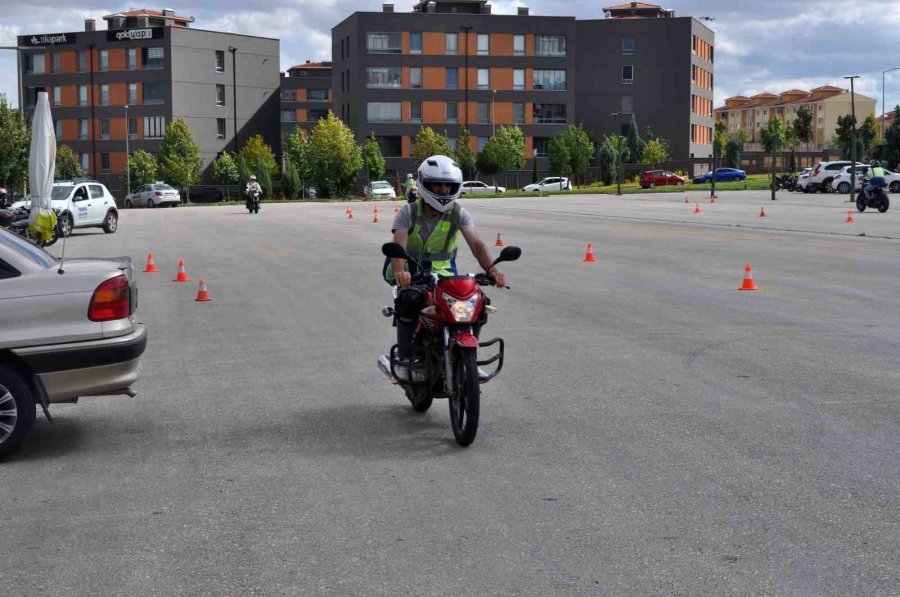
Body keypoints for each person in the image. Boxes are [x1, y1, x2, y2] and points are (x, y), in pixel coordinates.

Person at [377, 155, 506, 383]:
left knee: (479, 302)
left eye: (449, 185)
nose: (444, 190)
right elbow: (399, 244)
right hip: (411, 271)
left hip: (445, 272)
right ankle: (406, 360)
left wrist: (492, 269)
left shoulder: (459, 214)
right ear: (425, 184)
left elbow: (476, 244)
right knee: (408, 301)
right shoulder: (408, 212)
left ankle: (469, 358)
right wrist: (400, 271)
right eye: (438, 184)